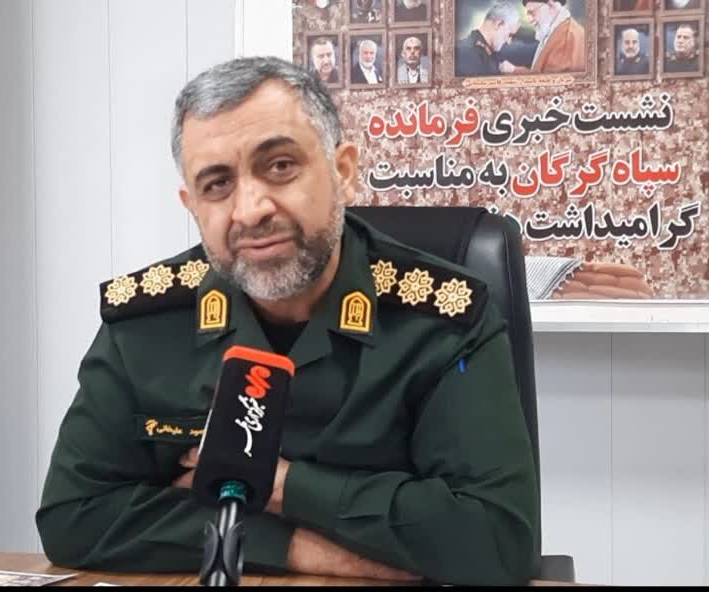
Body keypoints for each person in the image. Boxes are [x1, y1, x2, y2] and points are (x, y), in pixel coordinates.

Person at [35, 56, 539, 586]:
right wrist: (295, 546)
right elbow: (74, 517)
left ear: (343, 173)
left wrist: (281, 485)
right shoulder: (145, 323)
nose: (250, 209)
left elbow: (496, 537)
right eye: (217, 184)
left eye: (279, 166)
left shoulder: (442, 318)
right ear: (192, 205)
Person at [506, 0, 585, 74]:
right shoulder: (557, 30)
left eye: (532, 12)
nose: (529, 20)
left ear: (551, 4)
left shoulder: (566, 37)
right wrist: (513, 70)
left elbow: (551, 82)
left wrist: (514, 71)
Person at [455, 2, 521, 77]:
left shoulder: (487, 52)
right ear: (499, 24)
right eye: (510, 35)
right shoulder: (466, 54)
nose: (508, 42)